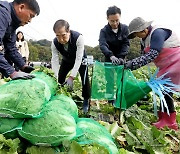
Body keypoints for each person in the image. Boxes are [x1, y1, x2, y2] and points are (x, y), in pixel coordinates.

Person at [126, 17, 180, 130]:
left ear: (144, 29)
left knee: (166, 90)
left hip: (176, 62)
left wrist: (133, 64)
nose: (137, 37)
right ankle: (163, 117)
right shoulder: (144, 40)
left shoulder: (158, 33)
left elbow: (152, 54)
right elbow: (143, 56)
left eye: (137, 34)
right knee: (163, 91)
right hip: (166, 66)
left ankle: (170, 121)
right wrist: (130, 63)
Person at [51, 19, 91, 113]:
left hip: (80, 60)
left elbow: (78, 58)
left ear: (68, 31)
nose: (61, 39)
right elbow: (55, 60)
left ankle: (86, 100)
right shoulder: (54, 43)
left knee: (85, 79)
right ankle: (60, 97)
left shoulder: (79, 38)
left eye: (63, 35)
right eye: (58, 36)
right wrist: (55, 76)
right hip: (67, 60)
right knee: (60, 77)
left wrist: (72, 76)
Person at [0, 0, 40, 80]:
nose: (30, 21)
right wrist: (11, 72)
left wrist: (23, 66)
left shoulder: (12, 22)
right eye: (31, 16)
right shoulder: (2, 14)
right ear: (21, 7)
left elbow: (11, 48)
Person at [99, 5, 129, 104]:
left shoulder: (125, 28)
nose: (115, 23)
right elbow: (103, 44)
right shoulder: (104, 31)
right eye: (112, 21)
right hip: (109, 59)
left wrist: (121, 57)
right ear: (107, 19)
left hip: (121, 58)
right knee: (110, 81)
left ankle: (121, 99)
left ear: (119, 17)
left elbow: (126, 43)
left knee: (122, 79)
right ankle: (110, 100)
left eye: (117, 20)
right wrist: (110, 55)